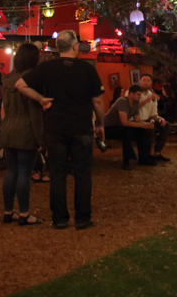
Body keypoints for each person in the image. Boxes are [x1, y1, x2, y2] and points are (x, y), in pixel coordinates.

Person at [16, 30, 106, 230]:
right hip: (81, 127)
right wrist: (100, 123)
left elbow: (20, 85)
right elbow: (98, 100)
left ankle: (60, 218)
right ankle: (82, 218)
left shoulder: (47, 68)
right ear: (75, 46)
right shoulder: (87, 69)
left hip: (55, 127)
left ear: (58, 47)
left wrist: (41, 99)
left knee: (57, 174)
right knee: (82, 174)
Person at [0, 43, 45, 225]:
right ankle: (24, 214)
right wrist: (41, 138)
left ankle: (8, 211)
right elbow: (34, 113)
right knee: (25, 172)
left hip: (8, 126)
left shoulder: (7, 80)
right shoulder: (33, 80)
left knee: (11, 171)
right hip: (26, 129)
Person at [103, 85, 156, 169]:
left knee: (143, 130)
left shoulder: (135, 103)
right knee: (127, 131)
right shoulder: (122, 101)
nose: (140, 97)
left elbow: (137, 119)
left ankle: (144, 158)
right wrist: (142, 125)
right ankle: (126, 161)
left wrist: (146, 124)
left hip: (119, 126)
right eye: (138, 94)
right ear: (131, 94)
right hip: (107, 127)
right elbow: (124, 122)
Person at [136, 74, 171, 162]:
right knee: (151, 127)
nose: (146, 82)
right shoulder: (133, 92)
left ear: (151, 83)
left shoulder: (152, 96)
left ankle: (157, 153)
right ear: (140, 81)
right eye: (143, 80)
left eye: (148, 80)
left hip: (148, 119)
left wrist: (160, 119)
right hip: (136, 120)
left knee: (166, 125)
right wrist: (147, 99)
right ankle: (146, 156)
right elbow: (133, 108)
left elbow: (153, 115)